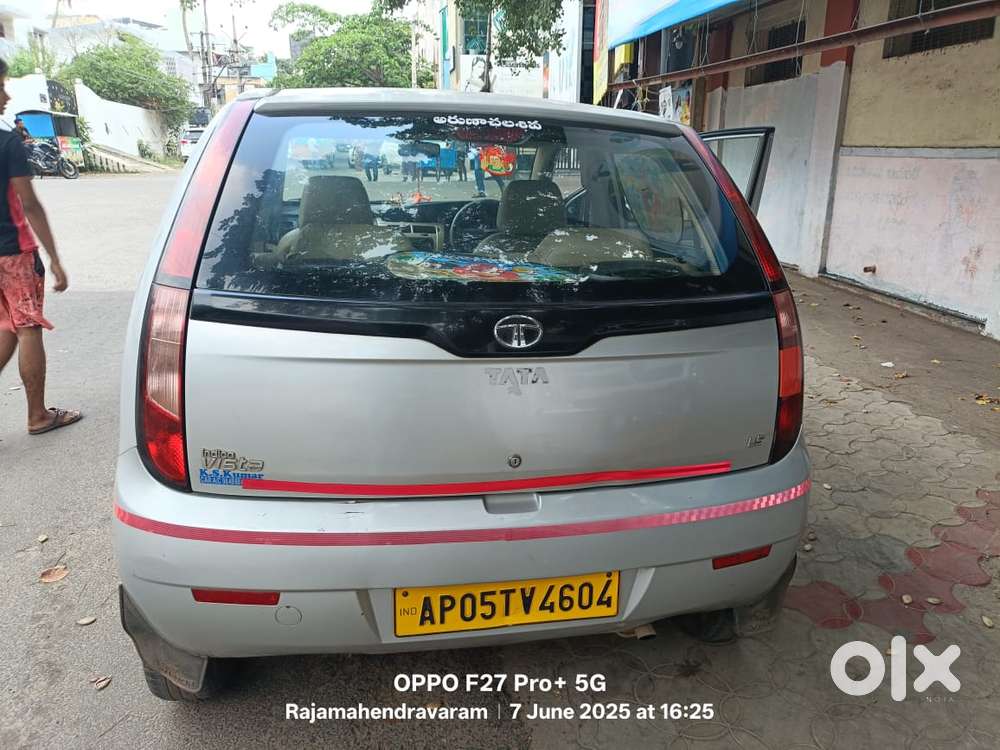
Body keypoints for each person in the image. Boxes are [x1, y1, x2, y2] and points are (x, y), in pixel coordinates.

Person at [0, 60, 81, 435]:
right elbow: (28, 203)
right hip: (13, 251)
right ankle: (37, 415)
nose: (6, 95)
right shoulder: (7, 143)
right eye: (1, 86)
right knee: (28, 326)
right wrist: (55, 257)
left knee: (6, 329)